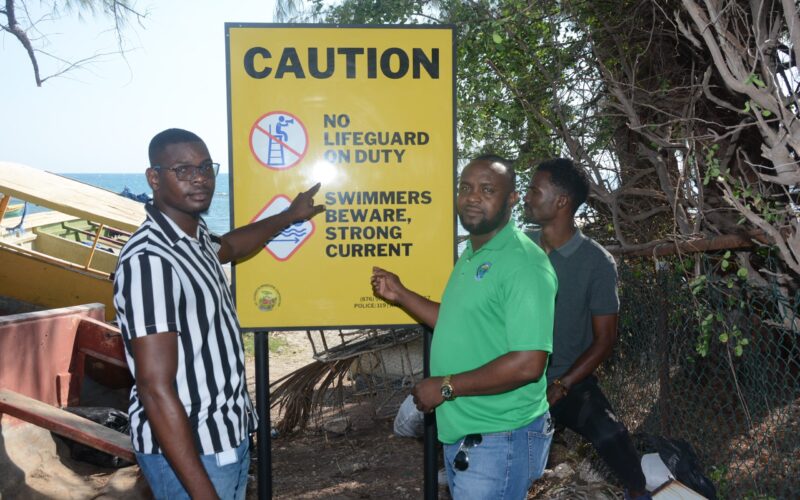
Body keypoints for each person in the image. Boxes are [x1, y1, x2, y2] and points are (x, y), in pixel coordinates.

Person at [113, 128, 324, 500]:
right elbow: (154, 388)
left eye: (206, 168)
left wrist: (290, 215)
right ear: (154, 178)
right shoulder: (151, 261)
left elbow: (230, 245)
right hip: (192, 453)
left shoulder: (193, 239)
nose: (200, 178)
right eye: (183, 170)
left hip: (226, 439)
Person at [372, 155, 557, 499]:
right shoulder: (474, 254)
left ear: (512, 198)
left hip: (500, 437)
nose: (473, 197)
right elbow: (456, 321)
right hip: (471, 433)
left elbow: (529, 363)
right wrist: (400, 293)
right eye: (466, 188)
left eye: (487, 190)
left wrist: (444, 387)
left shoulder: (524, 264)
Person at [522, 158, 651, 500]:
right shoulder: (518, 248)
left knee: (612, 437)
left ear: (561, 201)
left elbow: (605, 340)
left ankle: (638, 492)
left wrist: (562, 385)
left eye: (535, 190)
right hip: (515, 377)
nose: (526, 196)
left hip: (568, 379)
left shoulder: (597, 262)